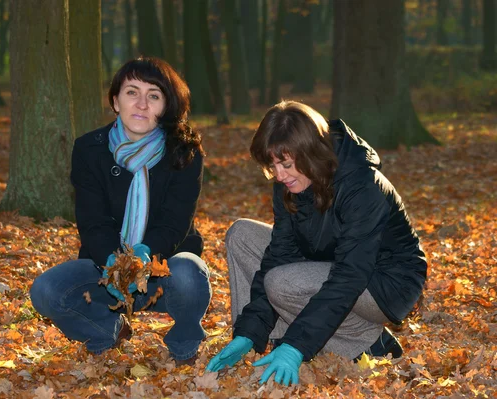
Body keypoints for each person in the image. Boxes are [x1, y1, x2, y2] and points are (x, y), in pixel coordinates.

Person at [207, 101, 427, 385]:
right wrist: (247, 332)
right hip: (333, 259)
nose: (279, 174)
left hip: (386, 280)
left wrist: (297, 346)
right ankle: (271, 338)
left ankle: (368, 342)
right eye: (272, 165)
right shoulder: (289, 184)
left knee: (282, 282)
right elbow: (280, 254)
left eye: (286, 164)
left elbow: (350, 275)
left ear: (310, 152)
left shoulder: (362, 185)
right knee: (242, 235)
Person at [30, 57, 211, 365]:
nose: (141, 104)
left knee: (191, 272)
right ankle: (104, 331)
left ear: (165, 105)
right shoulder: (89, 150)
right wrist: (115, 264)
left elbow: (173, 223)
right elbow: (92, 222)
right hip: (105, 266)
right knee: (47, 290)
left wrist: (142, 255)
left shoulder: (184, 152)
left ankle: (184, 347)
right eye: (131, 92)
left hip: (163, 267)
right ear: (115, 101)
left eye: (153, 95)